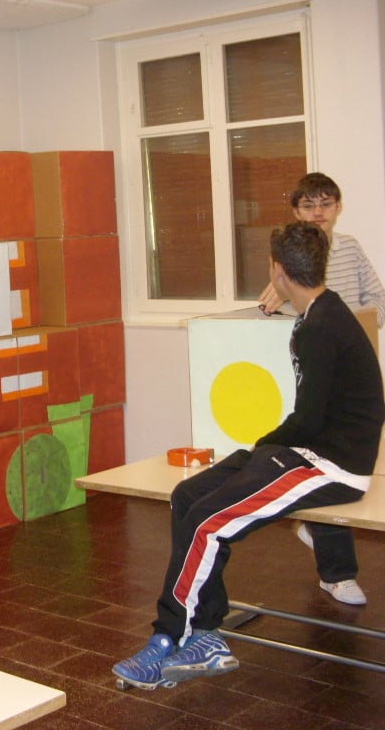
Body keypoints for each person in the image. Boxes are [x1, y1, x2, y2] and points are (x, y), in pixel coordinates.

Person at [113, 221, 385, 689]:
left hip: (330, 466)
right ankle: (206, 633)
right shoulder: (320, 313)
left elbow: (308, 420)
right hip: (304, 450)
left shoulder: (323, 326)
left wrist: (264, 445)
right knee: (187, 496)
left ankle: (170, 636)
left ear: (277, 270)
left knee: (208, 523)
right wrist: (265, 447)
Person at [257, 172, 385, 605]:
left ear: (338, 207)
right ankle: (337, 571)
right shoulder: (288, 256)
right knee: (315, 452)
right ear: (296, 211)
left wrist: (351, 325)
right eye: (308, 205)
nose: (318, 213)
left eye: (325, 204)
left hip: (347, 370)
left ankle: (334, 567)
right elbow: (273, 307)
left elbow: (379, 300)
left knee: (336, 458)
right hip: (311, 370)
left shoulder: (349, 248)